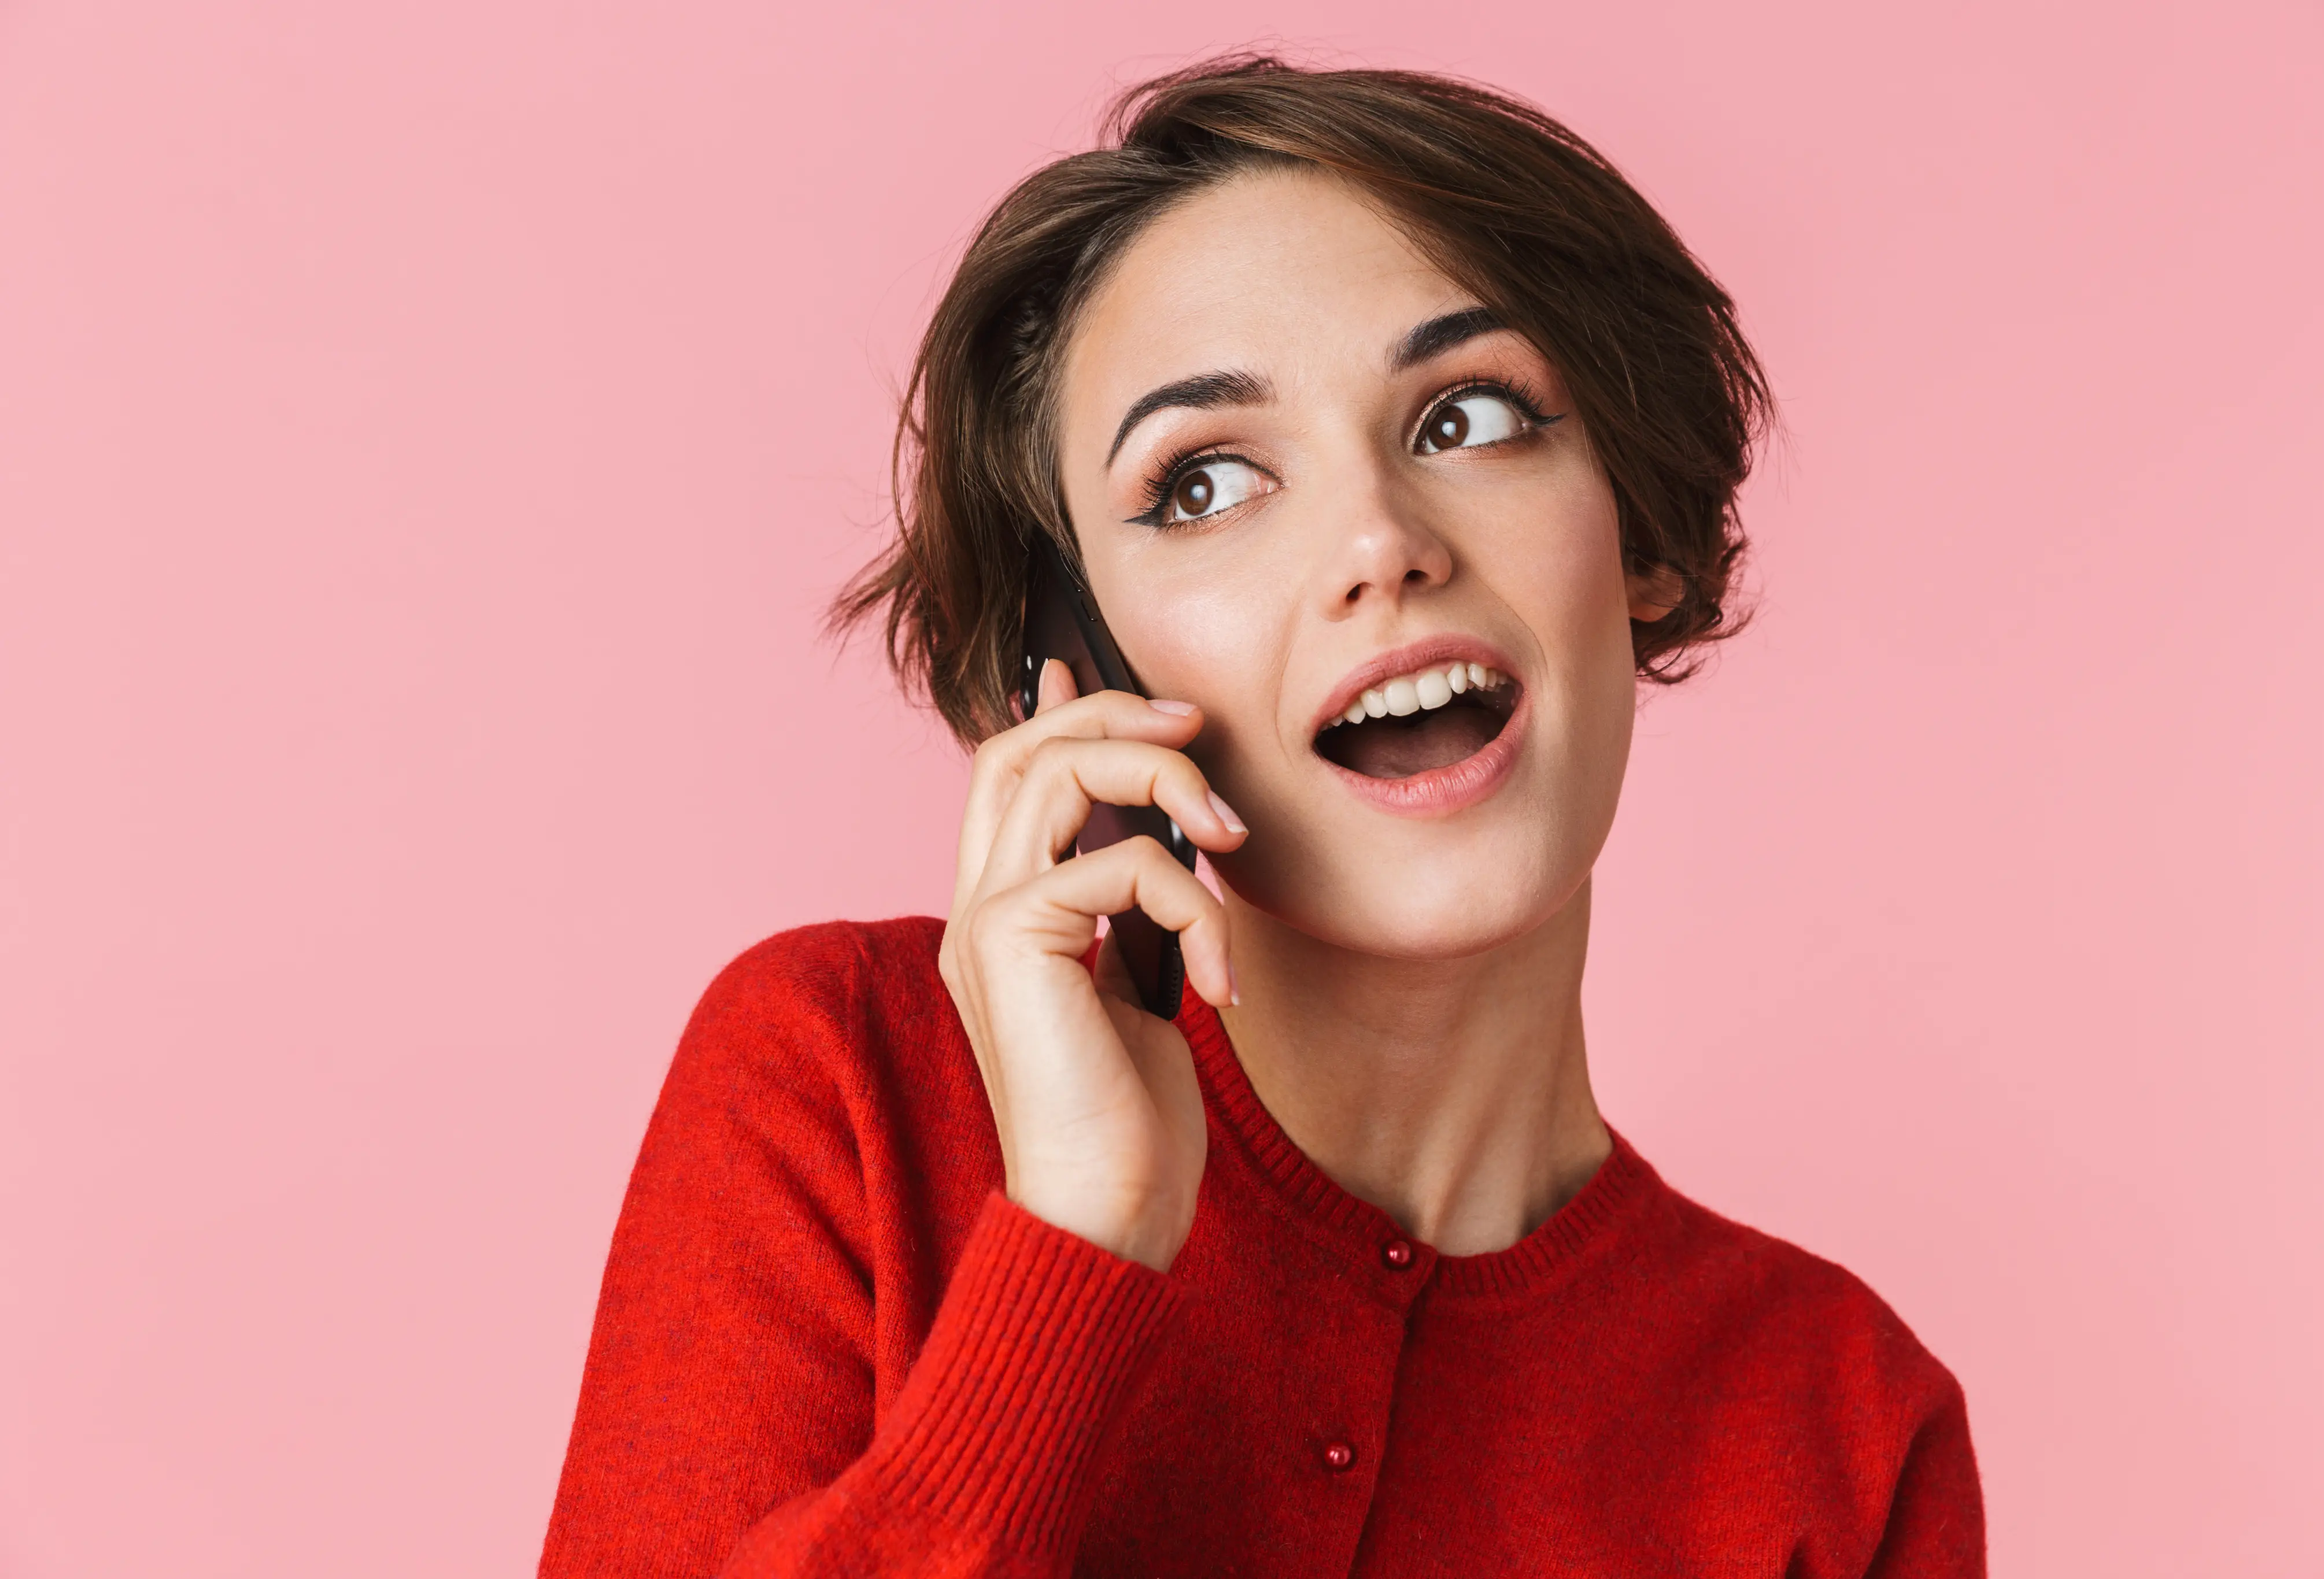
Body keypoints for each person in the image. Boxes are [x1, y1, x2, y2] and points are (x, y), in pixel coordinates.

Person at [540, 56, 1985, 1578]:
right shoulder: (849, 1086)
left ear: (1645, 535)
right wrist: (1071, 1246)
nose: (1378, 542)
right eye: (1205, 484)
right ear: (1077, 664)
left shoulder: (1844, 1425)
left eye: (1471, 417)